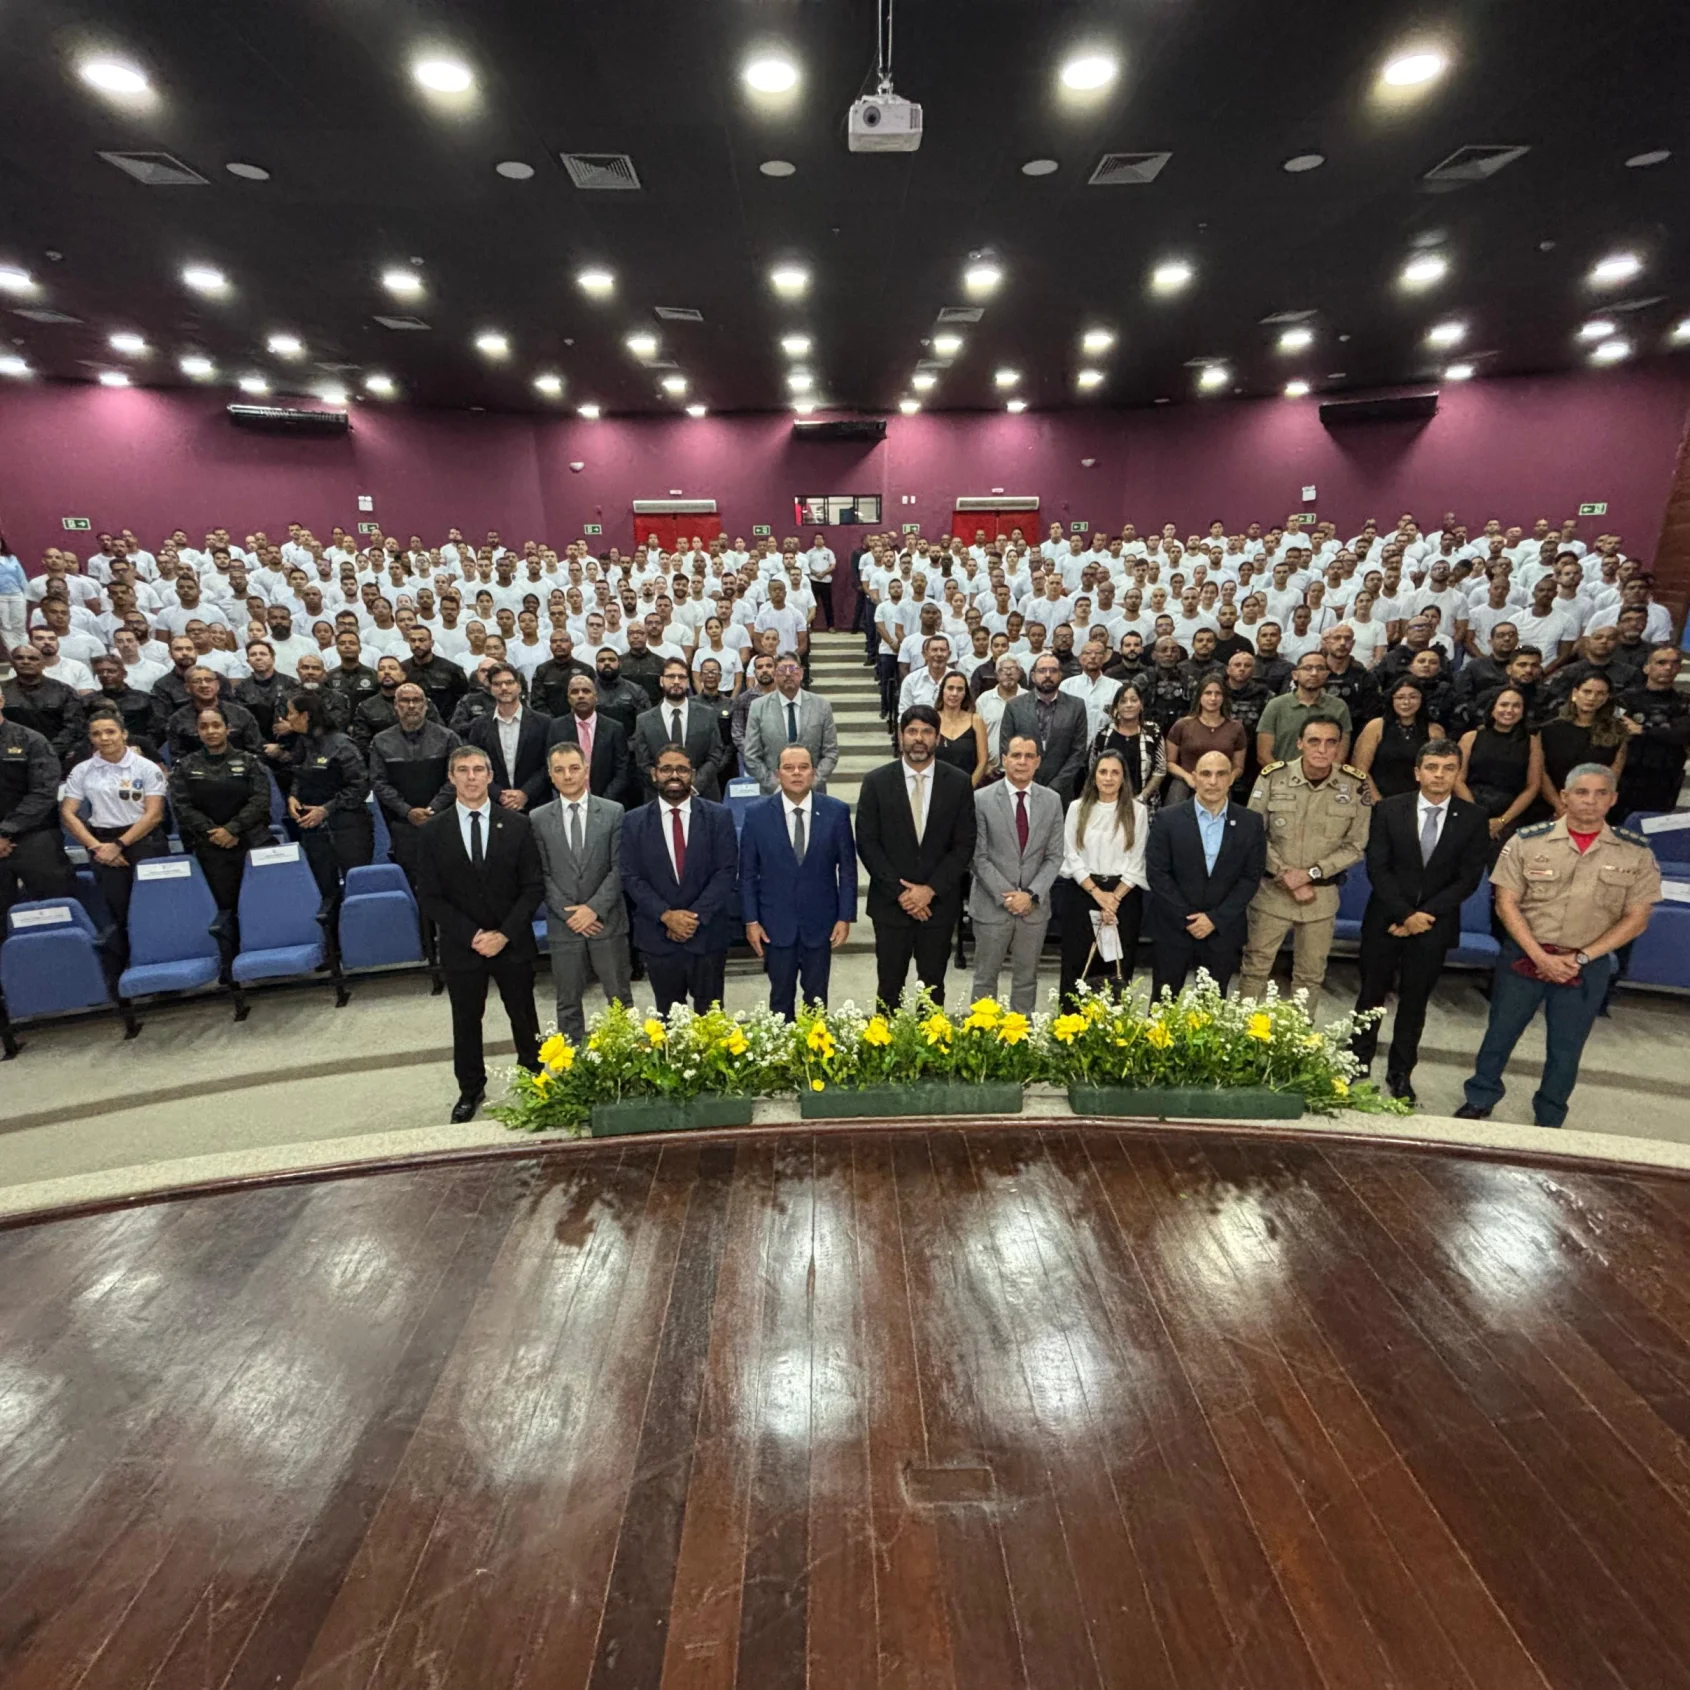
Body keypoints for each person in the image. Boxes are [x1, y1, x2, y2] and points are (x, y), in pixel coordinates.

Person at [1456, 764, 1660, 1128]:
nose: (1590, 801)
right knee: (1500, 1033)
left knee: (1567, 1047)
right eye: (1581, 792)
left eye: (1601, 794)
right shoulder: (1527, 841)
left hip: (1587, 963)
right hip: (1524, 955)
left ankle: (1550, 1113)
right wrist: (1538, 956)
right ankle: (1480, 1096)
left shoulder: (1636, 854)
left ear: (1613, 800)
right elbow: (1506, 903)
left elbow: (1637, 918)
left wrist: (1580, 957)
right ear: (1564, 797)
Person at [1349, 742, 1490, 1101]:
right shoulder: (1388, 810)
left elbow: (1467, 879)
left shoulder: (1473, 818)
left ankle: (1400, 1073)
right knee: (1370, 995)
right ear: (1417, 772)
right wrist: (1403, 914)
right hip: (1385, 919)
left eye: (1447, 768)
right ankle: (1355, 1062)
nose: (1439, 775)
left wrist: (1422, 917)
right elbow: (1377, 867)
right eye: (1432, 767)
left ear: (1459, 773)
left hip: (1434, 925)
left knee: (1414, 1003)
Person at [416, 744, 545, 1122]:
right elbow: (429, 896)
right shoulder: (433, 831)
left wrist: (503, 934)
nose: (471, 777)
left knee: (524, 1015)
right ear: (451, 777)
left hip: (512, 941)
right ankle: (470, 1089)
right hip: (462, 945)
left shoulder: (519, 825)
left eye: (478, 770)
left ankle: (535, 1080)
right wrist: (473, 935)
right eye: (463, 770)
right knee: (466, 1020)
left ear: (490, 776)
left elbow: (532, 887)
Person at [1237, 716, 1372, 1015]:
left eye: (1330, 742)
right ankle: (1240, 1035)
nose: (1322, 749)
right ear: (1299, 743)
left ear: (1339, 746)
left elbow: (1355, 846)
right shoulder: (1273, 777)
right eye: (1314, 741)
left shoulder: (1354, 785)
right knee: (1255, 968)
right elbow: (1252, 833)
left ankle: (1297, 1045)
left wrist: (1310, 874)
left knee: (1310, 976)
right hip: (1272, 892)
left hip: (1320, 898)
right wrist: (1287, 875)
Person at [856, 704, 979, 1009]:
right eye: (912, 731)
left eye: (926, 731)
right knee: (889, 990)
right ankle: (885, 1051)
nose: (919, 738)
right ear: (901, 736)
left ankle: (931, 1054)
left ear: (937, 737)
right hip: (890, 905)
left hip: (938, 905)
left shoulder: (959, 782)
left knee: (933, 990)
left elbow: (964, 844)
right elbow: (868, 843)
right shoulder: (876, 781)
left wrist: (929, 890)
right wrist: (903, 893)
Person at [620, 742, 740, 1012]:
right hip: (658, 936)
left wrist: (692, 919)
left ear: (693, 775)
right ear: (654, 774)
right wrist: (667, 916)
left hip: (707, 935)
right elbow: (630, 876)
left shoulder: (718, 816)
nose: (674, 775)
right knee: (667, 1016)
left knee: (710, 1018)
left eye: (682, 769)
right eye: (666, 769)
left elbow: (726, 871)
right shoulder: (633, 821)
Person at [741, 744, 857, 1017]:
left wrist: (845, 917)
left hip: (821, 924)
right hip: (775, 924)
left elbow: (848, 870)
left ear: (813, 773)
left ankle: (815, 1057)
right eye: (789, 768)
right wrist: (751, 921)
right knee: (780, 1002)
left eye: (803, 767)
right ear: (777, 773)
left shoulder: (836, 812)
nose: (796, 774)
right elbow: (746, 874)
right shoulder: (756, 814)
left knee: (817, 1003)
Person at [529, 742, 631, 1043]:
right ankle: (573, 1067)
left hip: (606, 922)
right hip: (565, 926)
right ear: (550, 775)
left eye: (574, 768)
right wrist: (570, 913)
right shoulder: (537, 818)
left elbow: (619, 867)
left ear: (586, 770)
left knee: (619, 1000)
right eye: (559, 770)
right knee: (568, 1002)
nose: (568, 775)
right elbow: (542, 874)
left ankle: (625, 1064)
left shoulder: (613, 812)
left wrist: (593, 909)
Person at [1144, 749, 1266, 999]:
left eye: (1221, 774)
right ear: (1194, 777)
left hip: (1222, 931)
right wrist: (1189, 919)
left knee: (1211, 1010)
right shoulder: (1168, 819)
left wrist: (1214, 919)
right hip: (1173, 929)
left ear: (1231, 778)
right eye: (1206, 774)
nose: (1213, 781)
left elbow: (1250, 878)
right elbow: (1158, 873)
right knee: (1162, 1006)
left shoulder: (1250, 823)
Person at [59, 712, 168, 966]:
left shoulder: (146, 767)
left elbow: (154, 815)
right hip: (101, 844)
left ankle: (161, 960)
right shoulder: (82, 770)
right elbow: (68, 813)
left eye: (110, 732)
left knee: (153, 906)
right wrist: (97, 847)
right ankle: (132, 965)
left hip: (143, 840)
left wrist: (119, 845)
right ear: (90, 738)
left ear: (124, 734)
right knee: (119, 909)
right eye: (96, 734)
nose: (104, 738)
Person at [968, 733, 1063, 1012]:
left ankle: (1021, 1044)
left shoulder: (1052, 800)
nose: (1022, 761)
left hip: (1033, 909)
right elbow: (978, 856)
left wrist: (1031, 895)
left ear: (1037, 762)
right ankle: (984, 1042)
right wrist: (1009, 897)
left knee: (1026, 980)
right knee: (985, 979)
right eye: (1016, 755)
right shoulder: (981, 799)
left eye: (1029, 756)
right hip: (991, 906)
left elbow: (1055, 856)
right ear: (1005, 759)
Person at [1059, 749, 1149, 1005]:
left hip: (1124, 896)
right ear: (1094, 776)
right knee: (1077, 963)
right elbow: (1071, 854)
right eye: (1103, 772)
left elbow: (1137, 858)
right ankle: (1071, 1028)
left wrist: (1114, 899)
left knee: (1116, 965)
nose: (1108, 778)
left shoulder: (1137, 811)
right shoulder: (1077, 808)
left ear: (1124, 778)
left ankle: (1112, 1031)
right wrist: (1098, 894)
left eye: (1115, 772)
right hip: (1084, 892)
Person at [167, 706, 273, 919]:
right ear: (197, 731)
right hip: (211, 846)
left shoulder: (249, 762)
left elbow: (260, 801)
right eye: (204, 727)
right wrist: (215, 832)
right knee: (225, 909)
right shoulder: (185, 767)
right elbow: (182, 806)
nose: (210, 731)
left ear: (228, 729)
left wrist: (232, 829)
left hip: (250, 841)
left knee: (264, 904)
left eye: (216, 725)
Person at [277, 691, 373, 900]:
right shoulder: (303, 742)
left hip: (347, 827)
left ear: (305, 716)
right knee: (324, 891)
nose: (287, 718)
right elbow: (300, 774)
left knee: (356, 887)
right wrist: (293, 796)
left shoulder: (342, 744)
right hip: (313, 828)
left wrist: (326, 809)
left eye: (291, 713)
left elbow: (360, 786)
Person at [368, 683, 460, 890]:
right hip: (403, 826)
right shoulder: (381, 741)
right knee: (412, 883)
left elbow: (456, 778)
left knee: (451, 881)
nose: (411, 706)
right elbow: (378, 782)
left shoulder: (447, 737)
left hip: (444, 821)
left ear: (426, 705)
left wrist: (433, 809)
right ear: (396, 706)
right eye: (405, 701)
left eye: (417, 700)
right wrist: (407, 811)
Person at [0, 699, 77, 916]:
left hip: (35, 836)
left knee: (55, 909)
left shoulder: (32, 741)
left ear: (1, 701)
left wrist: (6, 830)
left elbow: (43, 792)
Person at [1455, 687, 1544, 851]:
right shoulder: (1471, 737)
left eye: (1516, 706)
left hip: (1510, 815)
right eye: (1504, 705)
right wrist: (1478, 818)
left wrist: (1502, 821)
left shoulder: (1532, 741)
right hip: (1469, 809)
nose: (1509, 710)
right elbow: (1458, 780)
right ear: (1493, 708)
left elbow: (1533, 786)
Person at [741, 651, 840, 793]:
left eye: (793, 669)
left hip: (813, 791)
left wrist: (811, 782)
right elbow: (751, 755)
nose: (788, 674)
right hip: (773, 793)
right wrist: (776, 785)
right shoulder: (758, 707)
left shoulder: (821, 706)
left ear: (801, 673)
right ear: (775, 674)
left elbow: (831, 752)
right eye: (781, 669)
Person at [997, 653, 1089, 803]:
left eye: (1053, 671)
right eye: (1042, 670)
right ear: (1033, 676)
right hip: (1022, 789)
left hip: (1062, 793)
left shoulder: (1076, 706)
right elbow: (1006, 748)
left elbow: (1078, 752)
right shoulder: (1014, 706)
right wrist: (1028, 783)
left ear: (1060, 675)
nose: (1047, 675)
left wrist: (1054, 787)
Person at [633, 657, 727, 801]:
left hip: (703, 795)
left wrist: (694, 785)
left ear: (688, 682)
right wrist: (668, 785)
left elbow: (715, 754)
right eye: (671, 676)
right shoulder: (644, 720)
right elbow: (643, 763)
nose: (676, 681)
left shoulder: (707, 714)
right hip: (659, 798)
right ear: (661, 681)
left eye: (682, 677)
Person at [464, 662, 552, 814]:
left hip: (537, 806)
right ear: (490, 689)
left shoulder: (544, 723)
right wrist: (499, 795)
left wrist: (525, 793)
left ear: (519, 686)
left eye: (509, 682)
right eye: (497, 684)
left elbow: (549, 764)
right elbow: (476, 765)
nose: (504, 688)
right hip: (495, 807)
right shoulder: (479, 726)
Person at [1617, 646, 1690, 819]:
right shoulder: (1624, 698)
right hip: (1625, 774)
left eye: (1674, 663)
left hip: (1664, 777)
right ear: (1647, 667)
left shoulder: (1684, 702)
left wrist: (1642, 730)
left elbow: (1682, 734)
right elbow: (1617, 729)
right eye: (1661, 662)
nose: (1668, 668)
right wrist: (1662, 731)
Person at [1539, 672, 1628, 814]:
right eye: (1587, 692)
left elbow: (1612, 776)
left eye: (1600, 694)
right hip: (1551, 807)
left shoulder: (1617, 732)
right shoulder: (1548, 730)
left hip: (1596, 809)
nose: (1592, 698)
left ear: (1606, 698)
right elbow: (1541, 773)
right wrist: (1560, 807)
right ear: (1575, 693)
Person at [1350, 677, 1446, 802]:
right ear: (1392, 700)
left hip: (1419, 802)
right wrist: (1379, 803)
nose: (1406, 702)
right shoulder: (1376, 727)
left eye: (1413, 697)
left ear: (1422, 700)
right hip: (1378, 801)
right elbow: (1359, 770)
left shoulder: (1435, 731)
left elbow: (1439, 772)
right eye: (1400, 697)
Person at [545, 671, 633, 804]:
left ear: (595, 696)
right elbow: (551, 767)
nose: (580, 696)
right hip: (567, 800)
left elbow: (622, 772)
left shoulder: (614, 728)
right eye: (575, 692)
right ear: (568, 698)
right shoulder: (556, 727)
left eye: (586, 691)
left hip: (607, 802)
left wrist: (602, 802)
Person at [1255, 652, 1353, 764]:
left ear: (1326, 675)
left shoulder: (1339, 707)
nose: (1314, 673)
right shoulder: (1276, 705)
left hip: (1326, 778)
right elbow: (1263, 755)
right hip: (1282, 778)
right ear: (1295, 675)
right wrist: (1285, 777)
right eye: (1308, 668)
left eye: (1320, 668)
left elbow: (1341, 753)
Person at [1163, 675, 1248, 804]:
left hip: (1219, 786)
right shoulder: (1182, 725)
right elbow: (1169, 763)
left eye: (1218, 694)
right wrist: (1188, 777)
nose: (1213, 698)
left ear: (1224, 697)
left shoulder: (1236, 728)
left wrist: (1228, 778)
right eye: (1208, 693)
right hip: (1185, 786)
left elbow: (1238, 767)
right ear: (1200, 697)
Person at [934, 671, 988, 785]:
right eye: (950, 688)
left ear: (965, 693)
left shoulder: (976, 720)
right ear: (942, 691)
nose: (954, 693)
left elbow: (983, 762)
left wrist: (968, 788)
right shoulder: (932, 719)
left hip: (968, 789)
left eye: (959, 689)